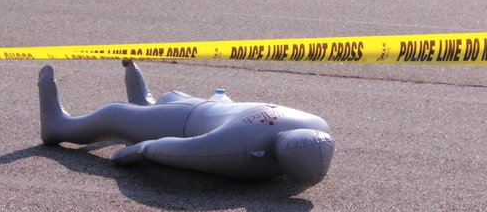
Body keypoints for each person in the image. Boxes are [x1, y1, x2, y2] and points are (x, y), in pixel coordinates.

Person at [38, 61, 335, 185]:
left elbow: (183, 150)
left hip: (185, 119)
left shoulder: (242, 149)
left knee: (113, 115)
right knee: (156, 102)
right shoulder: (312, 126)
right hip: (213, 107)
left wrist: (140, 150)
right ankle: (141, 100)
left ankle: (57, 125)